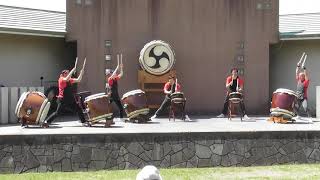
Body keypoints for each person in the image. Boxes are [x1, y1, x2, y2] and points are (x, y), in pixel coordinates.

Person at [42, 58, 86, 127]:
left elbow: (78, 80)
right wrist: (73, 70)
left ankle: (84, 122)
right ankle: (46, 122)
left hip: (70, 99)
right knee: (57, 112)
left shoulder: (69, 80)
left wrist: (81, 73)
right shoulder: (61, 79)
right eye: (67, 73)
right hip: (62, 99)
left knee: (78, 109)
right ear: (64, 74)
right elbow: (66, 79)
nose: (69, 74)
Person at [106, 55, 125, 120]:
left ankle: (121, 118)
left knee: (120, 107)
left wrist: (121, 68)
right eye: (112, 73)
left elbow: (121, 74)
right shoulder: (110, 79)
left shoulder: (115, 79)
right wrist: (117, 67)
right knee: (107, 107)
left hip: (116, 95)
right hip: (111, 95)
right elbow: (114, 74)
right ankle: (106, 117)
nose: (115, 74)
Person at [294, 54, 310, 118]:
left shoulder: (306, 82)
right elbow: (296, 72)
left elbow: (306, 75)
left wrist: (304, 68)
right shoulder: (298, 80)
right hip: (298, 96)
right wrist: (298, 66)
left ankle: (310, 117)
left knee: (305, 107)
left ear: (303, 77)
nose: (300, 76)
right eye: (300, 76)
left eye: (302, 76)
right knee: (295, 107)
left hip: (304, 98)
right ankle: (298, 115)